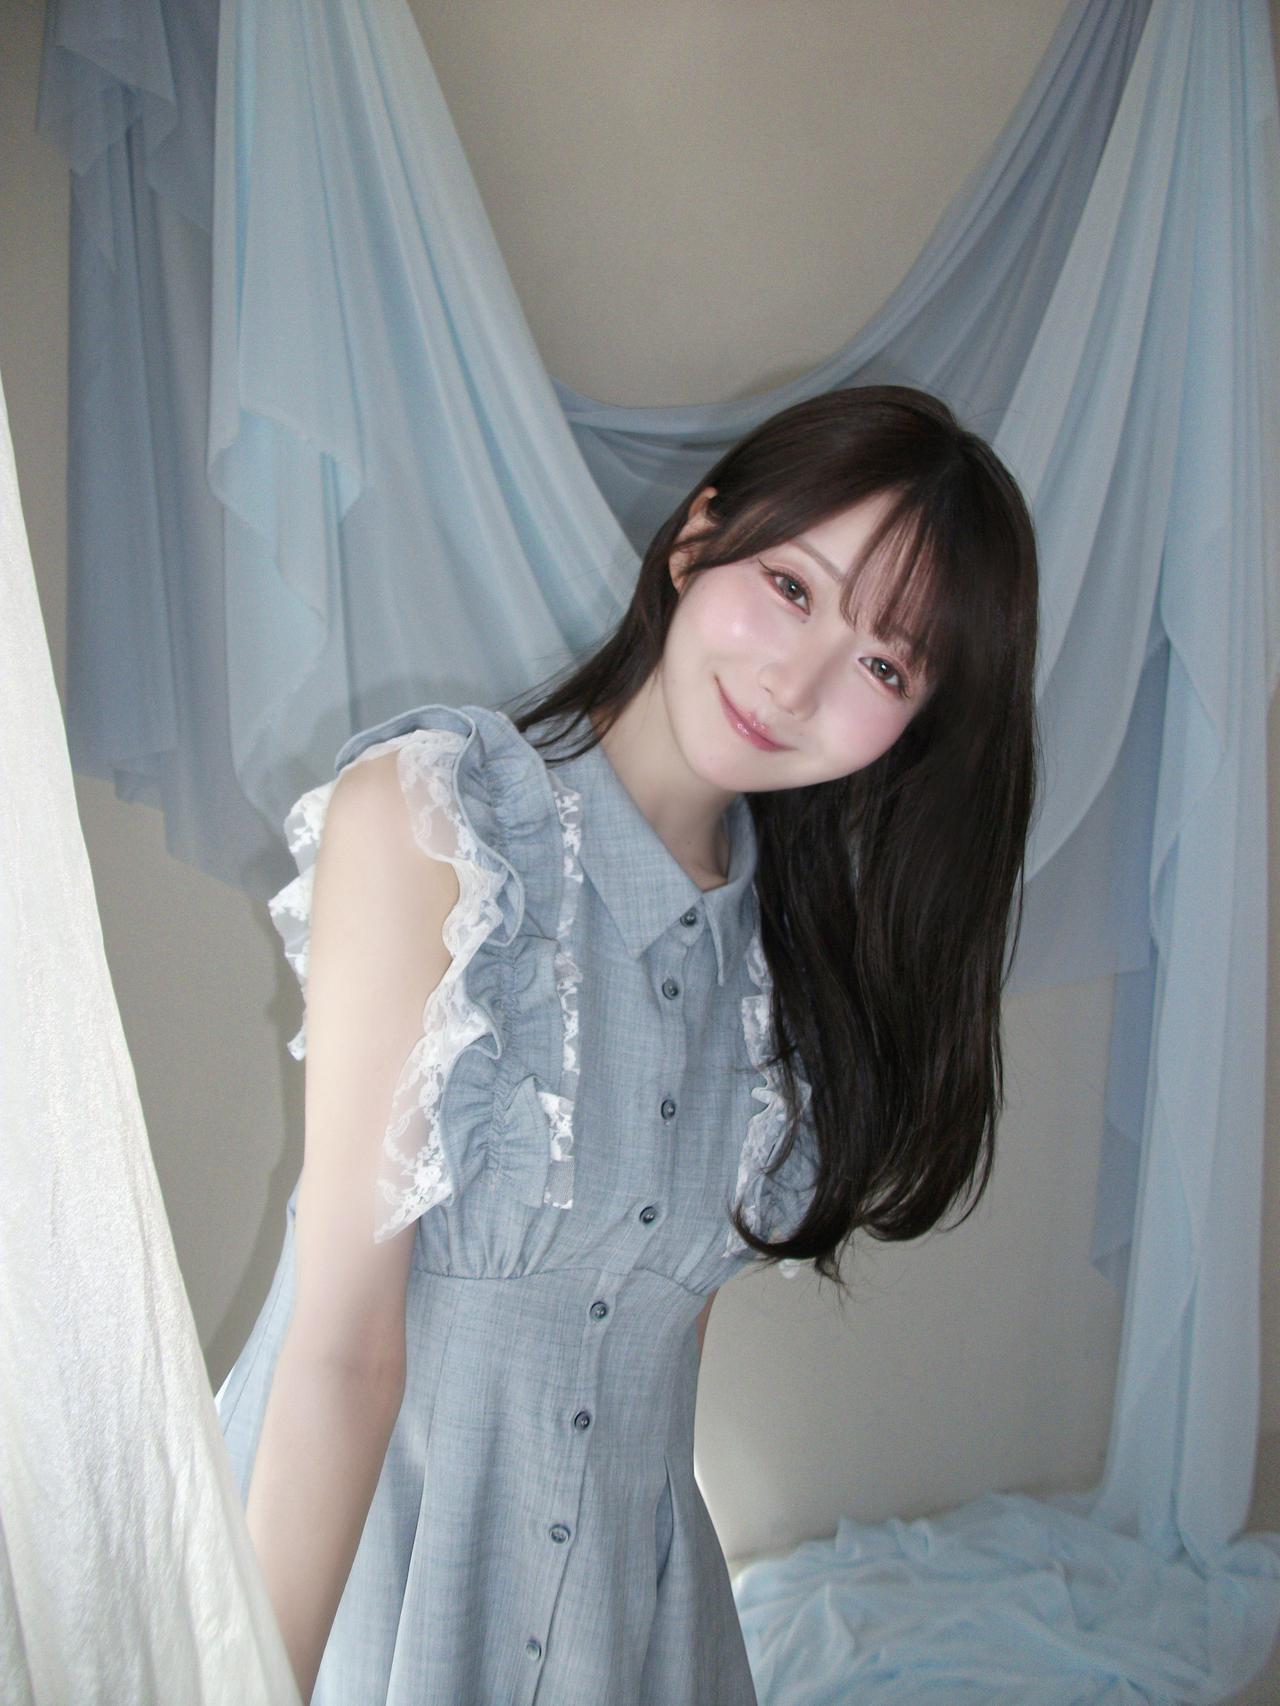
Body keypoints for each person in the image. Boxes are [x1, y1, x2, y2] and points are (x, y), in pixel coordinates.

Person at [216, 383, 1040, 1705]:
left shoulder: (801, 985)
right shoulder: (437, 827)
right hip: (362, 1600)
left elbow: (659, 1361)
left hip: (632, 1632)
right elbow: (340, 1356)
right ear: (698, 538)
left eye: (885, 665)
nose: (796, 680)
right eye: (791, 586)